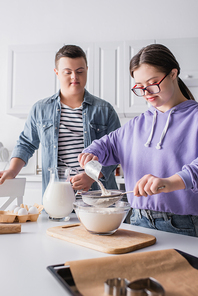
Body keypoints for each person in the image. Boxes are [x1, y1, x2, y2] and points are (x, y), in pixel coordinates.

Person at [78, 43, 198, 237]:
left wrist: (170, 182)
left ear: (173, 74)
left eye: (152, 83)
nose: (147, 93)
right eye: (140, 87)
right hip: (136, 221)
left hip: (186, 225)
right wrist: (92, 153)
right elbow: (106, 145)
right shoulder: (136, 125)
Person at [0, 45, 120, 196]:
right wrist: (12, 170)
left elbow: (118, 150)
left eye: (80, 71)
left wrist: (93, 176)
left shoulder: (105, 110)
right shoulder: (40, 109)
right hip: (56, 197)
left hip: (97, 198)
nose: (74, 77)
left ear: (87, 70)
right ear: (57, 73)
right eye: (68, 72)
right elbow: (26, 144)